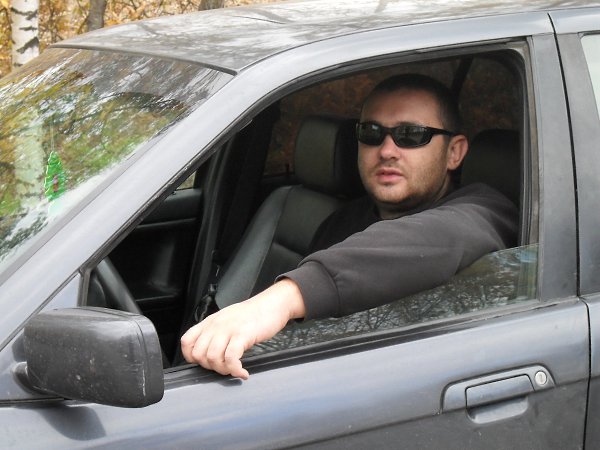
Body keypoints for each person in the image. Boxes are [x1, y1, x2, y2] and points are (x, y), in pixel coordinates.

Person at [180, 74, 518, 379]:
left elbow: (442, 235)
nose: (387, 150)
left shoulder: (485, 211)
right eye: (371, 133)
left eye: (411, 135)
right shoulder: (342, 221)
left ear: (455, 152)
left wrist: (281, 300)